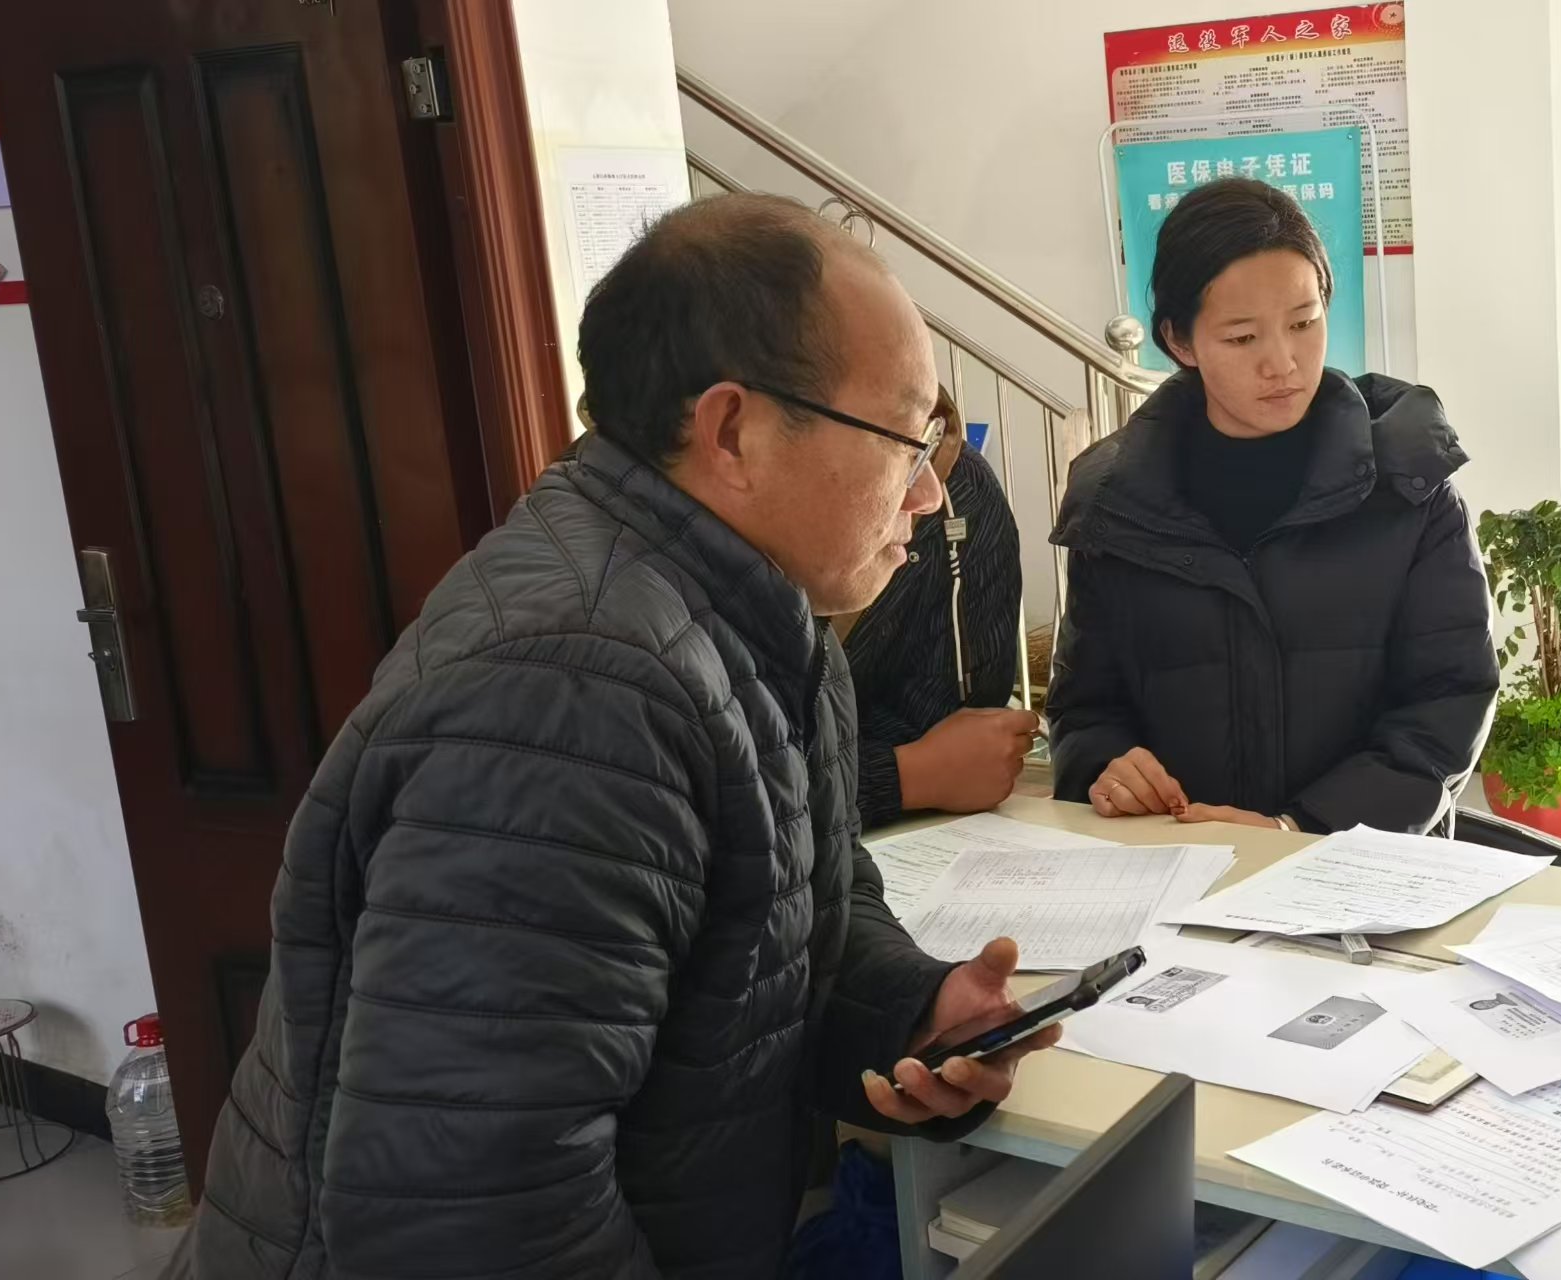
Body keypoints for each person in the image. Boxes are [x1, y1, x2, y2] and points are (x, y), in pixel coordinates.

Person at [170, 193, 1058, 1279]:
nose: (925, 494)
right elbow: (475, 1212)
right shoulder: (579, 689)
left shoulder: (753, 615)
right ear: (731, 432)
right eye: (906, 440)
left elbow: (798, 907)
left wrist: (912, 1009)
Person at [1047, 177, 1496, 834]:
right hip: (1178, 857)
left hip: (1357, 867)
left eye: (1304, 324)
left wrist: (1299, 829)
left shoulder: (1408, 483)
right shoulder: (1116, 506)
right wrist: (1106, 768)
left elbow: (1447, 703)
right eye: (1241, 338)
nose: (1282, 363)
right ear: (1179, 341)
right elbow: (1086, 709)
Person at [833, 403, 1037, 827]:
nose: (928, 497)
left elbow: (966, 750)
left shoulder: (960, 490)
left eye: (923, 448)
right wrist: (905, 775)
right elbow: (737, 793)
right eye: (896, 448)